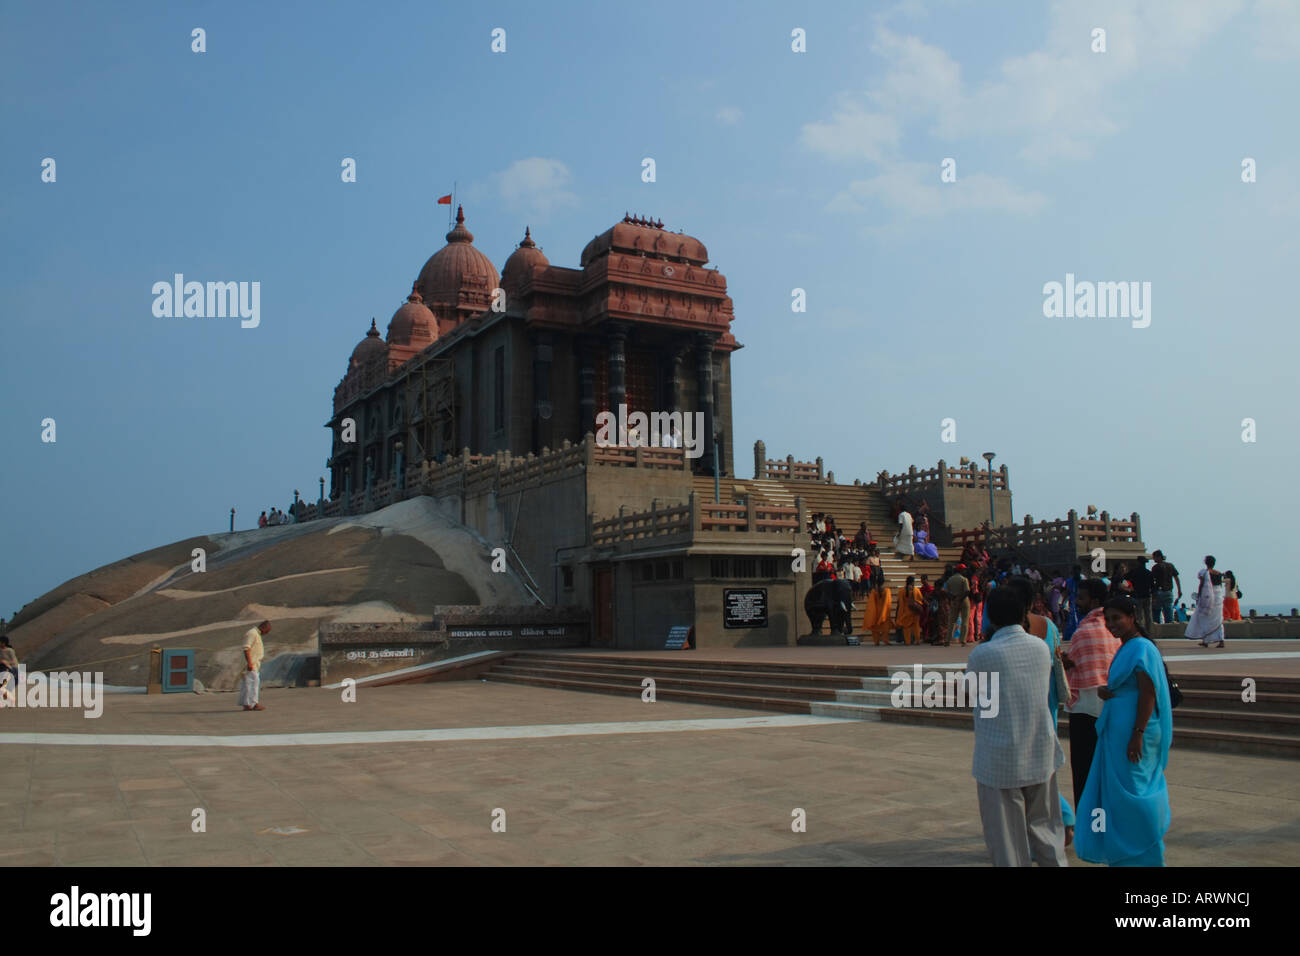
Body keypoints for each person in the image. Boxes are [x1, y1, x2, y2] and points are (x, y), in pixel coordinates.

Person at [967, 586, 1068, 867]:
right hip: (1040, 748)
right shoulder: (1039, 647)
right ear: (1023, 614)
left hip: (1000, 757)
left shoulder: (983, 654)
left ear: (991, 616)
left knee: (1007, 841)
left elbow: (977, 698)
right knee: (1047, 831)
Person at [1074, 596, 1173, 867]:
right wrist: (1110, 692)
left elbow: (1148, 693)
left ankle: (1146, 852)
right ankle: (1126, 853)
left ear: (1132, 617)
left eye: (1117, 618)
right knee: (1121, 793)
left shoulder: (1141, 647)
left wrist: (1137, 734)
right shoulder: (1127, 646)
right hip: (1119, 727)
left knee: (1136, 791)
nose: (1112, 624)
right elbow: (1130, 685)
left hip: (1135, 730)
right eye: (1108, 619)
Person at [1061, 578, 1119, 812]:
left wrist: (1063, 660)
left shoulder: (1084, 630)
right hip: (1110, 704)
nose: (1077, 601)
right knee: (1107, 768)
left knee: (1084, 770)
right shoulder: (1114, 628)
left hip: (1085, 706)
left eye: (1081, 597)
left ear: (1094, 600)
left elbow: (1073, 661)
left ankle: (1088, 820)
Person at [1185, 555, 1225, 648]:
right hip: (1218, 597)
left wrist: (1199, 595)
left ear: (1206, 562)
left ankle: (1205, 640)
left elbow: (1202, 585)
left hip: (1207, 597)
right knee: (1218, 620)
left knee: (1204, 618)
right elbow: (1219, 586)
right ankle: (1221, 640)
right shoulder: (1219, 573)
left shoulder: (1204, 573)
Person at [239, 620, 271, 711]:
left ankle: (247, 704)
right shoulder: (252, 633)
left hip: (254, 664)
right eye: (267, 631)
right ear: (264, 628)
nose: (266, 633)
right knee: (253, 684)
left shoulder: (256, 634)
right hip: (251, 664)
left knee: (248, 684)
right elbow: (246, 649)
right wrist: (249, 663)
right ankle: (254, 703)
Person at [1124, 557, 1154, 636]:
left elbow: (1124, 580)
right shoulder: (1149, 573)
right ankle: (1149, 633)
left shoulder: (1134, 572)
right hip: (1147, 595)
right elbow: (1152, 586)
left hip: (1137, 596)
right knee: (1148, 616)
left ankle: (1140, 632)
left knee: (1139, 616)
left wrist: (1129, 588)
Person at [1150, 550, 1182, 625]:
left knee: (1156, 613)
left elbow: (1152, 581)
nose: (1154, 559)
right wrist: (1179, 590)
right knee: (1168, 613)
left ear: (1158, 557)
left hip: (1159, 592)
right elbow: (1176, 578)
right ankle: (1169, 630)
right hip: (1168, 592)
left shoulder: (1155, 567)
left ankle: (1158, 630)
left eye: (1154, 557)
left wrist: (1153, 595)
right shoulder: (1170, 565)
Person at [944, 564, 971, 646]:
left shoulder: (950, 580)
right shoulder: (964, 579)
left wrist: (953, 598)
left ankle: (948, 640)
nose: (965, 571)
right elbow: (967, 591)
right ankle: (963, 640)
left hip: (954, 601)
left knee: (952, 621)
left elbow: (946, 592)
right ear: (961, 570)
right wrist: (960, 598)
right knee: (965, 621)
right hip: (964, 601)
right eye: (964, 570)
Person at [864, 578, 893, 646]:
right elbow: (887, 602)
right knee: (885, 628)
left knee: (875, 627)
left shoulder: (874, 591)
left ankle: (876, 641)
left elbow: (871, 602)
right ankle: (886, 641)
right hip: (884, 611)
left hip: (876, 611)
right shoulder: (887, 590)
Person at [895, 575, 922, 645]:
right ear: (913, 582)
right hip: (915, 610)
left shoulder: (902, 590)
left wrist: (900, 613)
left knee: (906, 627)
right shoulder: (916, 590)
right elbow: (920, 599)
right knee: (916, 626)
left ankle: (907, 641)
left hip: (906, 611)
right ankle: (918, 640)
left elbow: (900, 603)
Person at [0, 636, 19, 704]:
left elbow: (14, 662)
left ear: (4, 643)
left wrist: (5, 662)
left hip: (11, 670)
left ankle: (10, 699)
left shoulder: (10, 650)